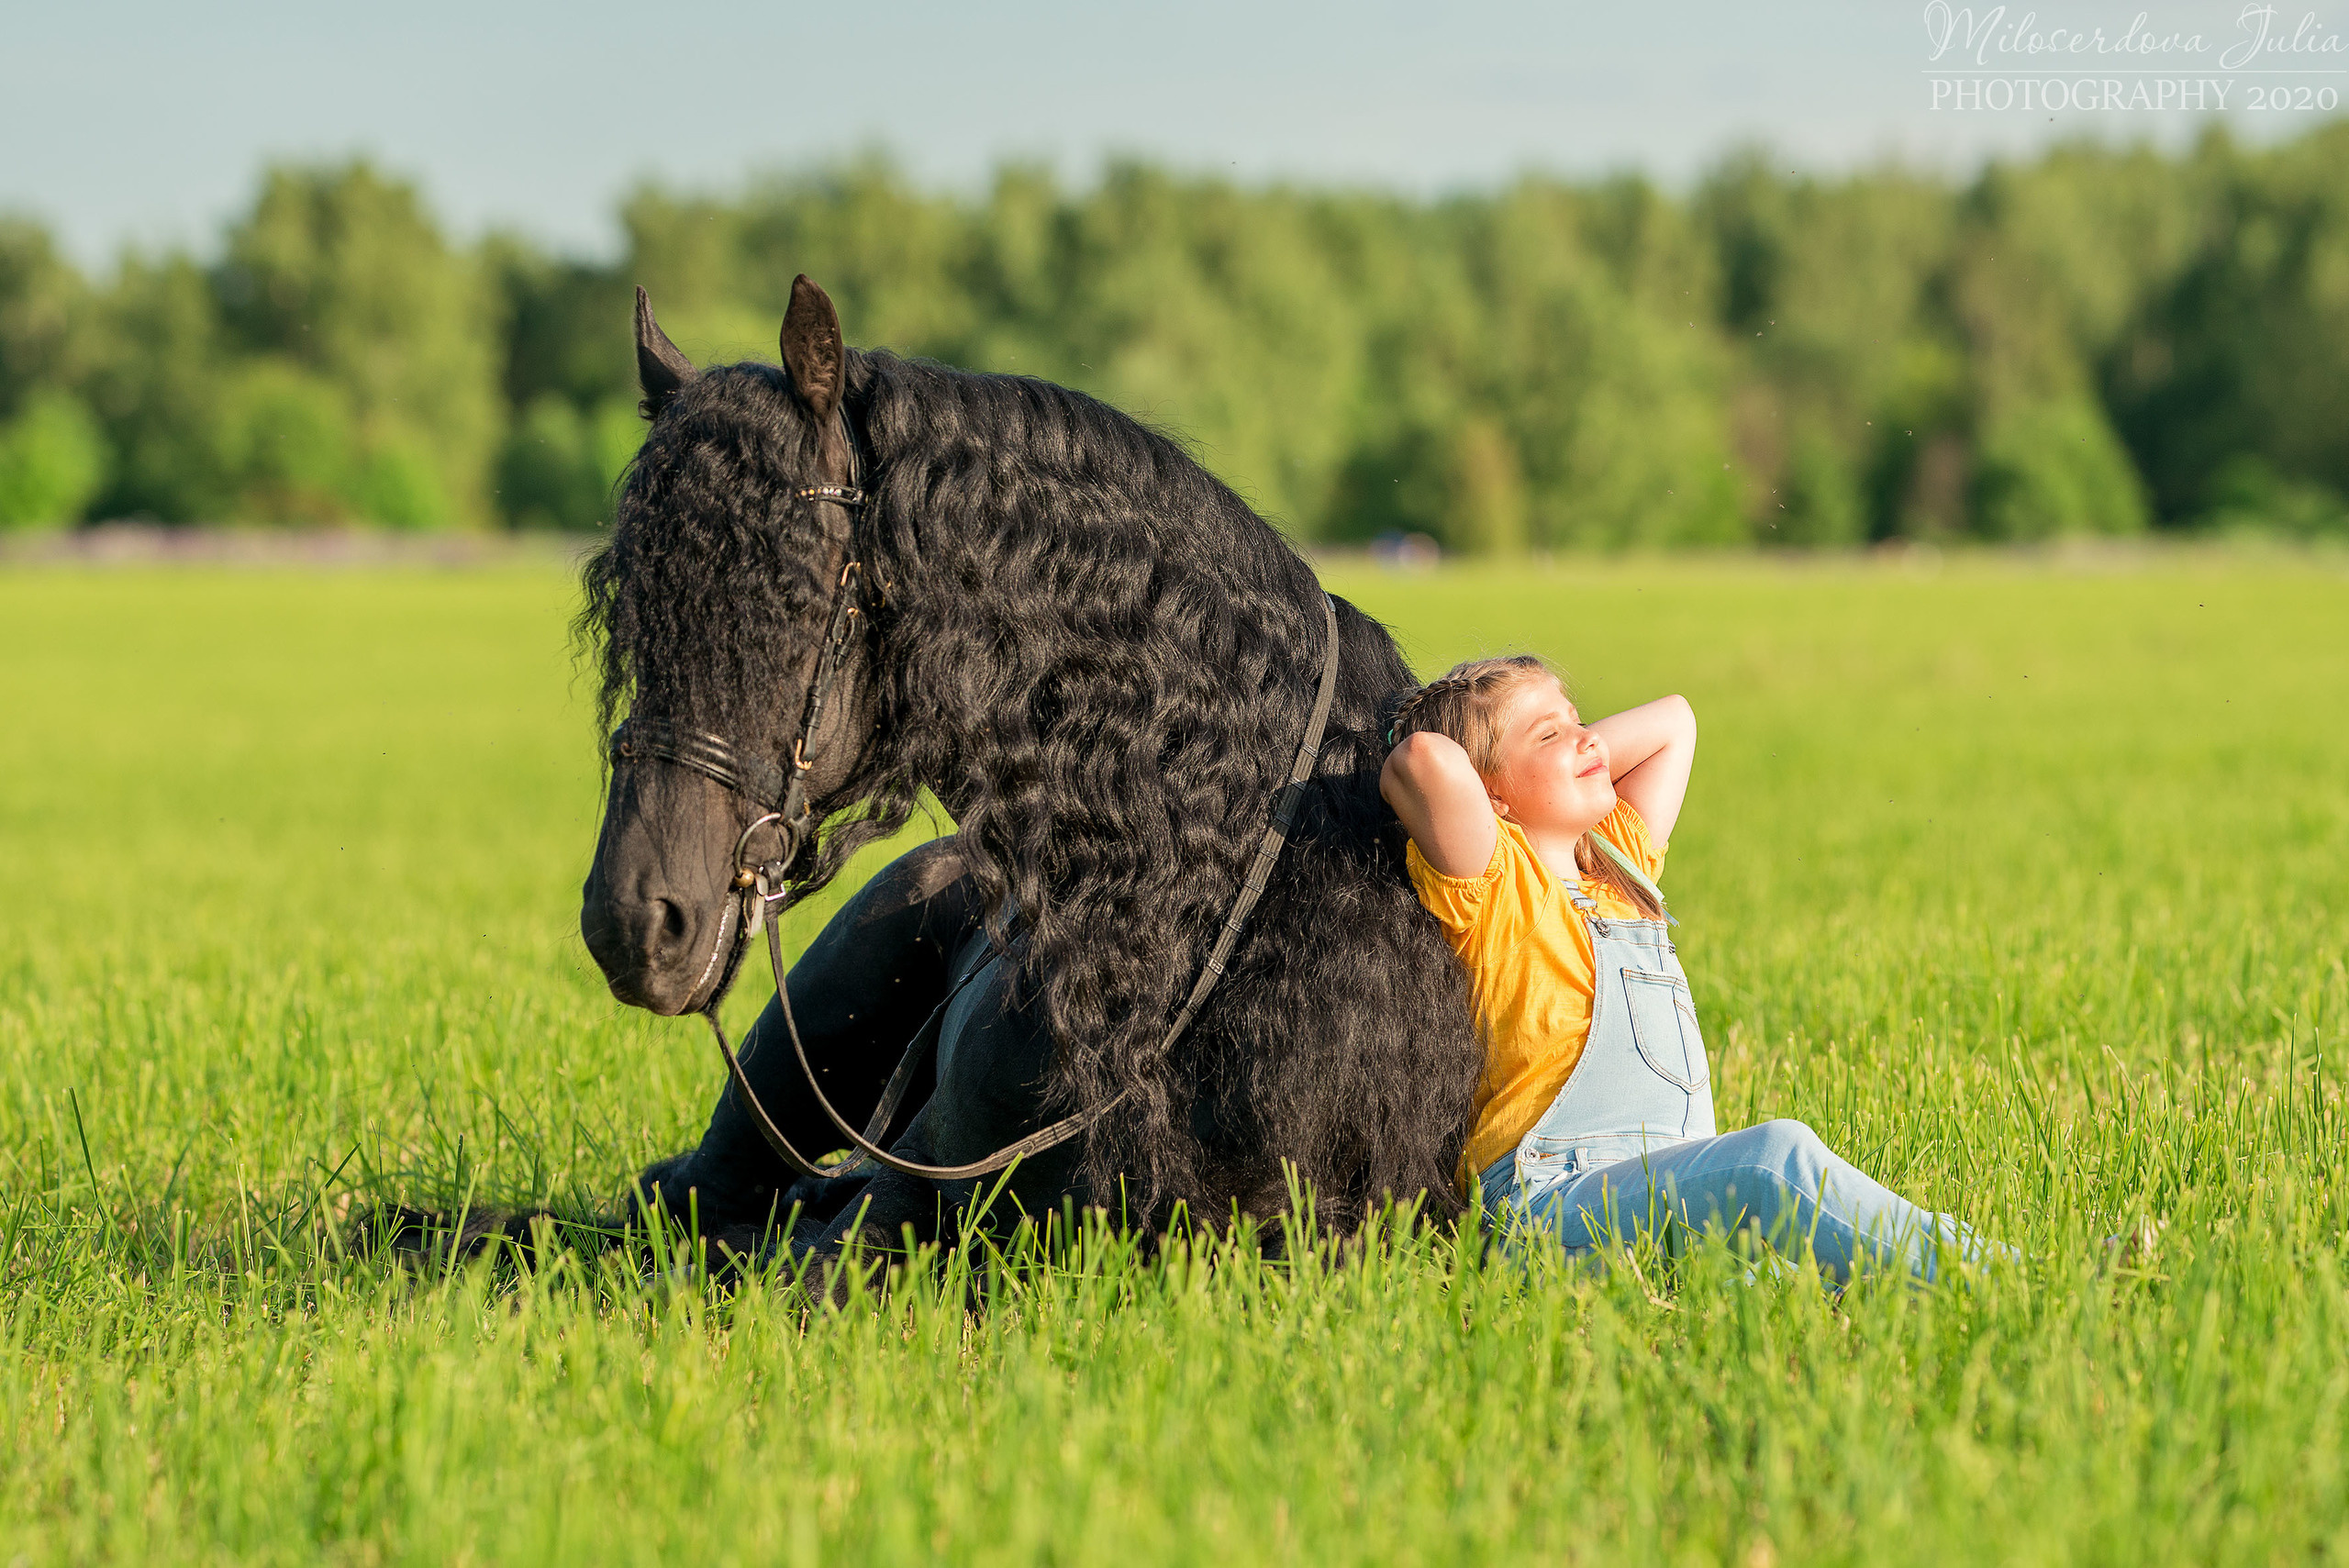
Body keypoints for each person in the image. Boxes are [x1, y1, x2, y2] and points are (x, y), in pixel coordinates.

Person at [1379, 655, 2005, 1283]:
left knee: (1796, 1286)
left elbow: (1676, 720)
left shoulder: (1620, 865)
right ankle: (2009, 1275)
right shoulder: (1497, 887)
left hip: (1658, 1189)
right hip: (1551, 1206)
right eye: (1549, 735)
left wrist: (1560, 740)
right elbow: (1423, 760)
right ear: (1491, 794)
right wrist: (1478, 723)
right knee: (1771, 1160)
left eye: (1578, 718)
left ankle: (1967, 1284)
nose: (1587, 736)